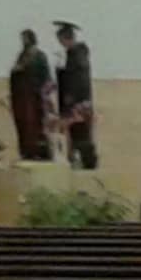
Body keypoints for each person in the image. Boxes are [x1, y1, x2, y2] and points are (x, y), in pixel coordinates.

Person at [53, 21, 95, 170]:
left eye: (61, 40)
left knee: (81, 134)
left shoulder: (77, 54)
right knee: (75, 135)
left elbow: (78, 79)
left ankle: (86, 163)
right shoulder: (73, 54)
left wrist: (71, 95)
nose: (60, 43)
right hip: (77, 102)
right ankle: (78, 161)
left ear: (66, 38)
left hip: (79, 103)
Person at [7, 28, 50, 160]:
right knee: (22, 124)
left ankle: (37, 152)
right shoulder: (22, 56)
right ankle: (25, 152)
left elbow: (46, 78)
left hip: (34, 97)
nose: (23, 41)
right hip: (20, 97)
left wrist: (43, 93)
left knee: (34, 125)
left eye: (25, 38)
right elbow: (15, 75)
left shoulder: (40, 56)